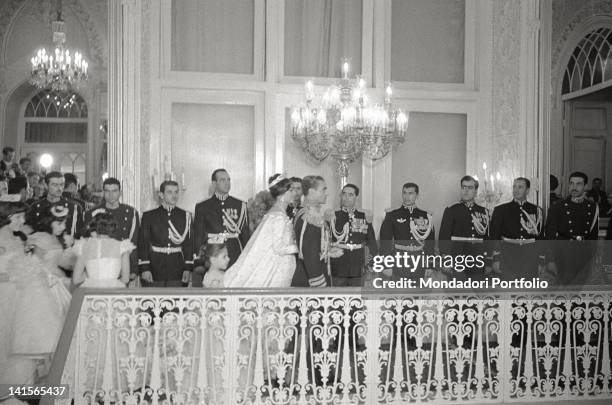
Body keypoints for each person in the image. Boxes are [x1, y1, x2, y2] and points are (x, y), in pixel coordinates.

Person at [0, 201, 68, 398]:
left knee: (14, 345)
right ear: (7, 217)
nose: (23, 221)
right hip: (4, 294)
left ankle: (15, 392)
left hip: (19, 294)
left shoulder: (19, 239)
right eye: (19, 217)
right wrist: (13, 277)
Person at [224, 174, 298, 288]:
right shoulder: (279, 218)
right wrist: (297, 247)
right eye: (291, 190)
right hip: (277, 268)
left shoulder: (275, 213)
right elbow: (279, 247)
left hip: (278, 265)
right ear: (282, 195)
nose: (295, 193)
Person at [193, 169, 250, 283]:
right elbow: (198, 236)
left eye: (228, 180)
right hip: (213, 253)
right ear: (214, 184)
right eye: (222, 180)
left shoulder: (240, 205)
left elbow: (245, 235)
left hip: (235, 253)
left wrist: (247, 258)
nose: (227, 183)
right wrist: (198, 260)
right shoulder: (203, 206)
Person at [545, 171, 599, 285]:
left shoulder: (592, 207)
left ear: (585, 186)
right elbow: (550, 236)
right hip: (564, 254)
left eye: (578, 184)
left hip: (584, 254)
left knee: (580, 291)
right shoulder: (557, 207)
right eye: (571, 183)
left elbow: (593, 236)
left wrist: (593, 259)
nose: (574, 187)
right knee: (564, 292)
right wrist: (550, 260)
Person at [138, 180, 193, 287]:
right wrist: (145, 268)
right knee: (153, 301)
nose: (174, 195)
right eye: (170, 192)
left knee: (177, 301)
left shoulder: (185, 216)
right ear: (161, 195)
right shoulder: (149, 216)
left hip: (177, 267)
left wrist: (187, 268)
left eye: (176, 192)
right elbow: (143, 244)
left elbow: (189, 245)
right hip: (155, 267)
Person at [84, 177, 139, 282]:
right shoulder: (92, 213)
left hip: (124, 265)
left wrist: (133, 269)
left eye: (114, 191)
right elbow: (88, 242)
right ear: (103, 192)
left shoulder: (131, 213)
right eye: (107, 191)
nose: (111, 194)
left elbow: (134, 241)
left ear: (120, 192)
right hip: (98, 266)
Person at [291, 175, 342, 287]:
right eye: (323, 189)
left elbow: (314, 247)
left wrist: (327, 251)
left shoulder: (312, 215)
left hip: (317, 274)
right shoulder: (308, 218)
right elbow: (309, 254)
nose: (326, 193)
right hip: (312, 280)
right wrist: (319, 283)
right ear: (311, 192)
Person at [489, 177, 544, 280]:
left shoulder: (537, 211)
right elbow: (494, 236)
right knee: (508, 289)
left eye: (520, 187)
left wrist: (541, 260)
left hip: (530, 258)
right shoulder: (501, 210)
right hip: (508, 256)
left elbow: (540, 238)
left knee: (529, 291)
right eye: (514, 187)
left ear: (527, 190)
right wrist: (496, 259)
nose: (516, 190)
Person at [380, 182, 434, 281]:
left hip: (419, 262)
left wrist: (429, 265)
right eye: (404, 193)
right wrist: (386, 264)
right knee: (398, 294)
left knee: (418, 294)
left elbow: (430, 244)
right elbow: (385, 242)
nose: (406, 196)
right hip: (399, 261)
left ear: (417, 195)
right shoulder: (392, 215)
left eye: (410, 193)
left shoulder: (426, 216)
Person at [439, 175, 489, 281]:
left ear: (475, 191)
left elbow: (487, 239)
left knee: (477, 295)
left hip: (478, 260)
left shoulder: (484, 211)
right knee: (457, 294)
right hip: (457, 259)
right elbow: (444, 237)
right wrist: (446, 261)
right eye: (463, 187)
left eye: (470, 188)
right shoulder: (451, 210)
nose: (465, 191)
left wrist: (488, 261)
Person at [330, 183, 378, 286]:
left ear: (356, 197)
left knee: (357, 298)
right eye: (344, 194)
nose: (346, 198)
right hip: (338, 264)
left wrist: (372, 264)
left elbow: (371, 242)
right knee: (338, 298)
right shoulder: (333, 216)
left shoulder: (364, 216)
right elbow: (326, 241)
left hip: (358, 264)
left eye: (350, 195)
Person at [72, 211, 134, 288]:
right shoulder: (122, 247)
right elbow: (125, 279)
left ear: (94, 228)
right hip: (114, 292)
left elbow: (76, 279)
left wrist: (90, 275)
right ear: (113, 227)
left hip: (90, 291)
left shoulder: (83, 246)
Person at [27, 205, 75, 290]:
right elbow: (33, 267)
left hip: (58, 280)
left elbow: (61, 261)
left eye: (65, 223)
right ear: (48, 222)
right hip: (45, 284)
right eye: (59, 223)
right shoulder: (39, 239)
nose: (63, 227)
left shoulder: (55, 238)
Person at [26, 171, 84, 240]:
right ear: (46, 185)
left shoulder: (74, 207)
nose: (59, 188)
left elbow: (77, 233)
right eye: (55, 185)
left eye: (62, 185)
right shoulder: (35, 206)